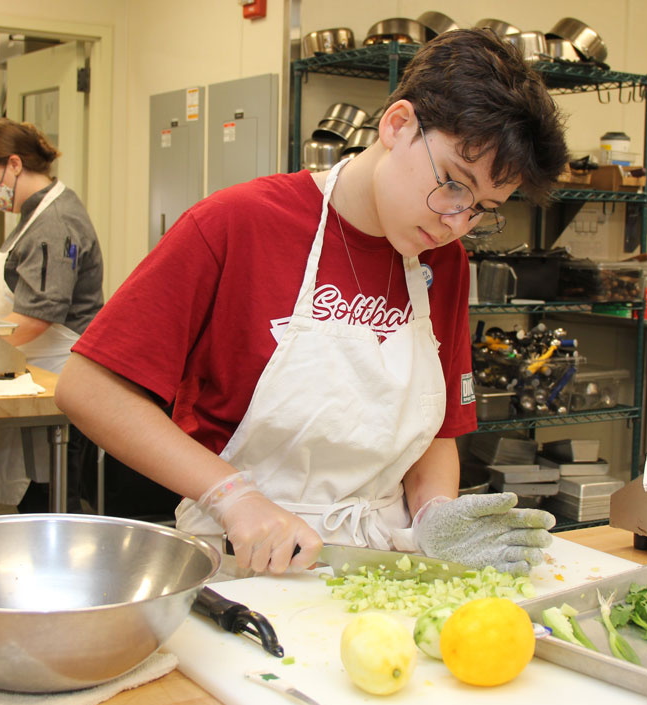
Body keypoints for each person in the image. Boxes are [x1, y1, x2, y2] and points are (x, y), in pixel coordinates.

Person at [56, 29, 569, 574]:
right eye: (454, 184)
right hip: (244, 561)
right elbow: (89, 388)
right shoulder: (237, 225)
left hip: (381, 563)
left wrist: (434, 514)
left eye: (483, 209)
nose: (455, 222)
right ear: (397, 125)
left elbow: (436, 431)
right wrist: (232, 496)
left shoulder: (445, 265)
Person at [0, 118, 104, 512]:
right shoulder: (34, 214)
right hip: (34, 369)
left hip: (58, 373)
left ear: (13, 164)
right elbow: (16, 286)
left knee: (53, 496)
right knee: (34, 487)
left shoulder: (54, 222)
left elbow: (38, 315)